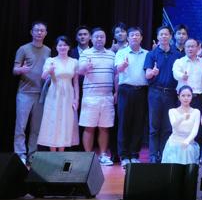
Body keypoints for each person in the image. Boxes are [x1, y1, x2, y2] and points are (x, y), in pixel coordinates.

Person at [13, 22, 51, 164]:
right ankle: (20, 154)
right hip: (25, 93)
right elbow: (14, 70)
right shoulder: (23, 49)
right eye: (36, 30)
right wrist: (21, 70)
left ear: (45, 33)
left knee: (36, 128)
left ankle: (32, 154)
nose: (39, 33)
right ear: (31, 32)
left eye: (42, 30)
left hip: (41, 94)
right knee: (21, 126)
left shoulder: (48, 50)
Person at [78, 27, 116, 166]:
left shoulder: (111, 54)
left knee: (104, 127)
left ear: (105, 39)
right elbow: (79, 71)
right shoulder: (85, 53)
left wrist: (116, 92)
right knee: (89, 127)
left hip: (107, 96)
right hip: (90, 96)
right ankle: (89, 157)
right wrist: (85, 67)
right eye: (96, 37)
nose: (99, 39)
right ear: (91, 39)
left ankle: (103, 155)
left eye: (102, 37)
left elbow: (116, 74)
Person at [144, 25, 181, 163]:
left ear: (171, 36)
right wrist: (152, 72)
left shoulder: (177, 54)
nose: (164, 36)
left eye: (166, 34)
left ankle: (164, 155)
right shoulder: (151, 54)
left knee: (167, 127)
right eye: (161, 34)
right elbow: (147, 75)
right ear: (158, 37)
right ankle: (153, 156)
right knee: (154, 127)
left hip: (171, 94)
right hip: (155, 92)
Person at [37, 35, 79, 151]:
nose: (62, 47)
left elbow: (75, 82)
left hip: (69, 94)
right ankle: (53, 154)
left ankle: (61, 153)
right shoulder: (51, 60)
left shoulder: (74, 62)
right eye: (60, 45)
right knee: (53, 121)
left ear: (69, 47)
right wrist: (49, 70)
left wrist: (76, 99)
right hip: (54, 94)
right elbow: (43, 76)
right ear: (56, 47)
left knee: (66, 121)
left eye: (65, 45)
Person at [115, 26, 148, 166]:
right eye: (132, 35)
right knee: (124, 123)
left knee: (138, 123)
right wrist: (123, 66)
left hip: (142, 91)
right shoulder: (121, 52)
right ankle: (123, 156)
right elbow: (117, 69)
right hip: (125, 90)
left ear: (141, 38)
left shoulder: (147, 53)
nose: (135, 37)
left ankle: (134, 154)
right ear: (128, 38)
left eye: (137, 35)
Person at [173, 37, 202, 144]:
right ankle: (182, 149)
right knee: (183, 125)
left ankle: (197, 151)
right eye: (188, 46)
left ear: (198, 48)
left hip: (198, 97)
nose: (190, 49)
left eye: (192, 46)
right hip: (184, 98)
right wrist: (182, 76)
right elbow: (176, 74)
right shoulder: (179, 62)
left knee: (198, 127)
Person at [161, 86, 201, 165]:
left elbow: (194, 131)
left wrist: (187, 141)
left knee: (187, 151)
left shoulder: (196, 112)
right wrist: (182, 117)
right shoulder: (172, 111)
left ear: (192, 96)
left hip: (188, 143)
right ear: (179, 97)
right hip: (174, 143)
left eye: (188, 95)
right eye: (183, 95)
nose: (186, 98)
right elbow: (174, 126)